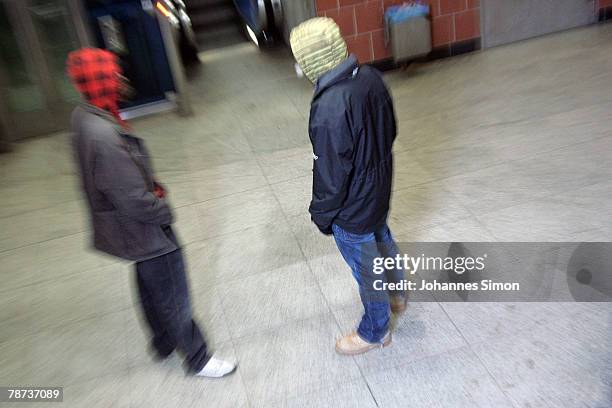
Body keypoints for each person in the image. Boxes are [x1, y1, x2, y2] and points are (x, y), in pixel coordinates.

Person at [67, 48, 235, 378]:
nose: (119, 78)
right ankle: (198, 358)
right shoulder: (104, 136)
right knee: (173, 291)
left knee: (148, 281)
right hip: (141, 225)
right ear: (100, 80)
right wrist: (164, 211)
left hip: (124, 227)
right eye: (112, 74)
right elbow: (133, 199)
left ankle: (162, 342)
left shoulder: (85, 116)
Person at [290, 18, 407, 355]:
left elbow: (330, 176)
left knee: (365, 265)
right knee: (382, 237)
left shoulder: (329, 106)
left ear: (311, 61)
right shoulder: (371, 76)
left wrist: (322, 216)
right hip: (379, 187)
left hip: (352, 206)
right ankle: (397, 294)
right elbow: (391, 130)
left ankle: (375, 331)